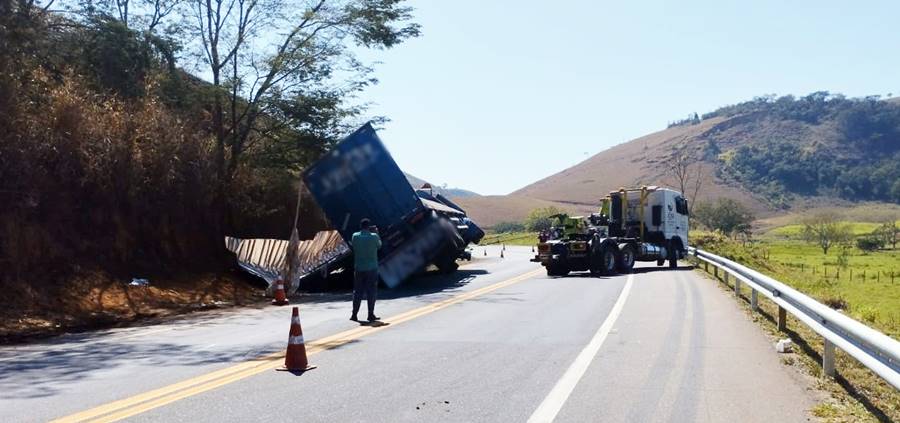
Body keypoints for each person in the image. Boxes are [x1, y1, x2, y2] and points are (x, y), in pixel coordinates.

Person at [351, 218, 382, 322]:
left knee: (357, 292)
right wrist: (376, 232)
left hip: (359, 267)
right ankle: (370, 314)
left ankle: (354, 314)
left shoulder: (355, 236)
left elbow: (353, 246)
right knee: (371, 291)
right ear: (369, 227)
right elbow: (379, 245)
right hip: (372, 268)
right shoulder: (374, 237)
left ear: (361, 226)